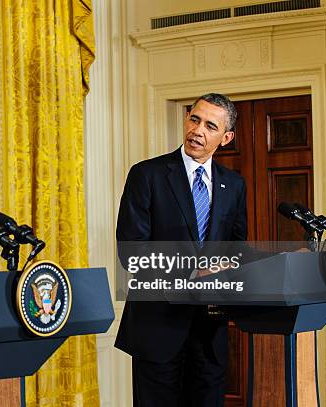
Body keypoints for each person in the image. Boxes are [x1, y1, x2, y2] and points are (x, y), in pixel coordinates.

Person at [114, 93, 247, 406]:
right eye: (194, 119)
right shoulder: (147, 174)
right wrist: (191, 271)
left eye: (210, 126)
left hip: (210, 332)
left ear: (226, 137)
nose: (197, 130)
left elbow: (236, 247)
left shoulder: (234, 185)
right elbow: (131, 251)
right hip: (157, 328)